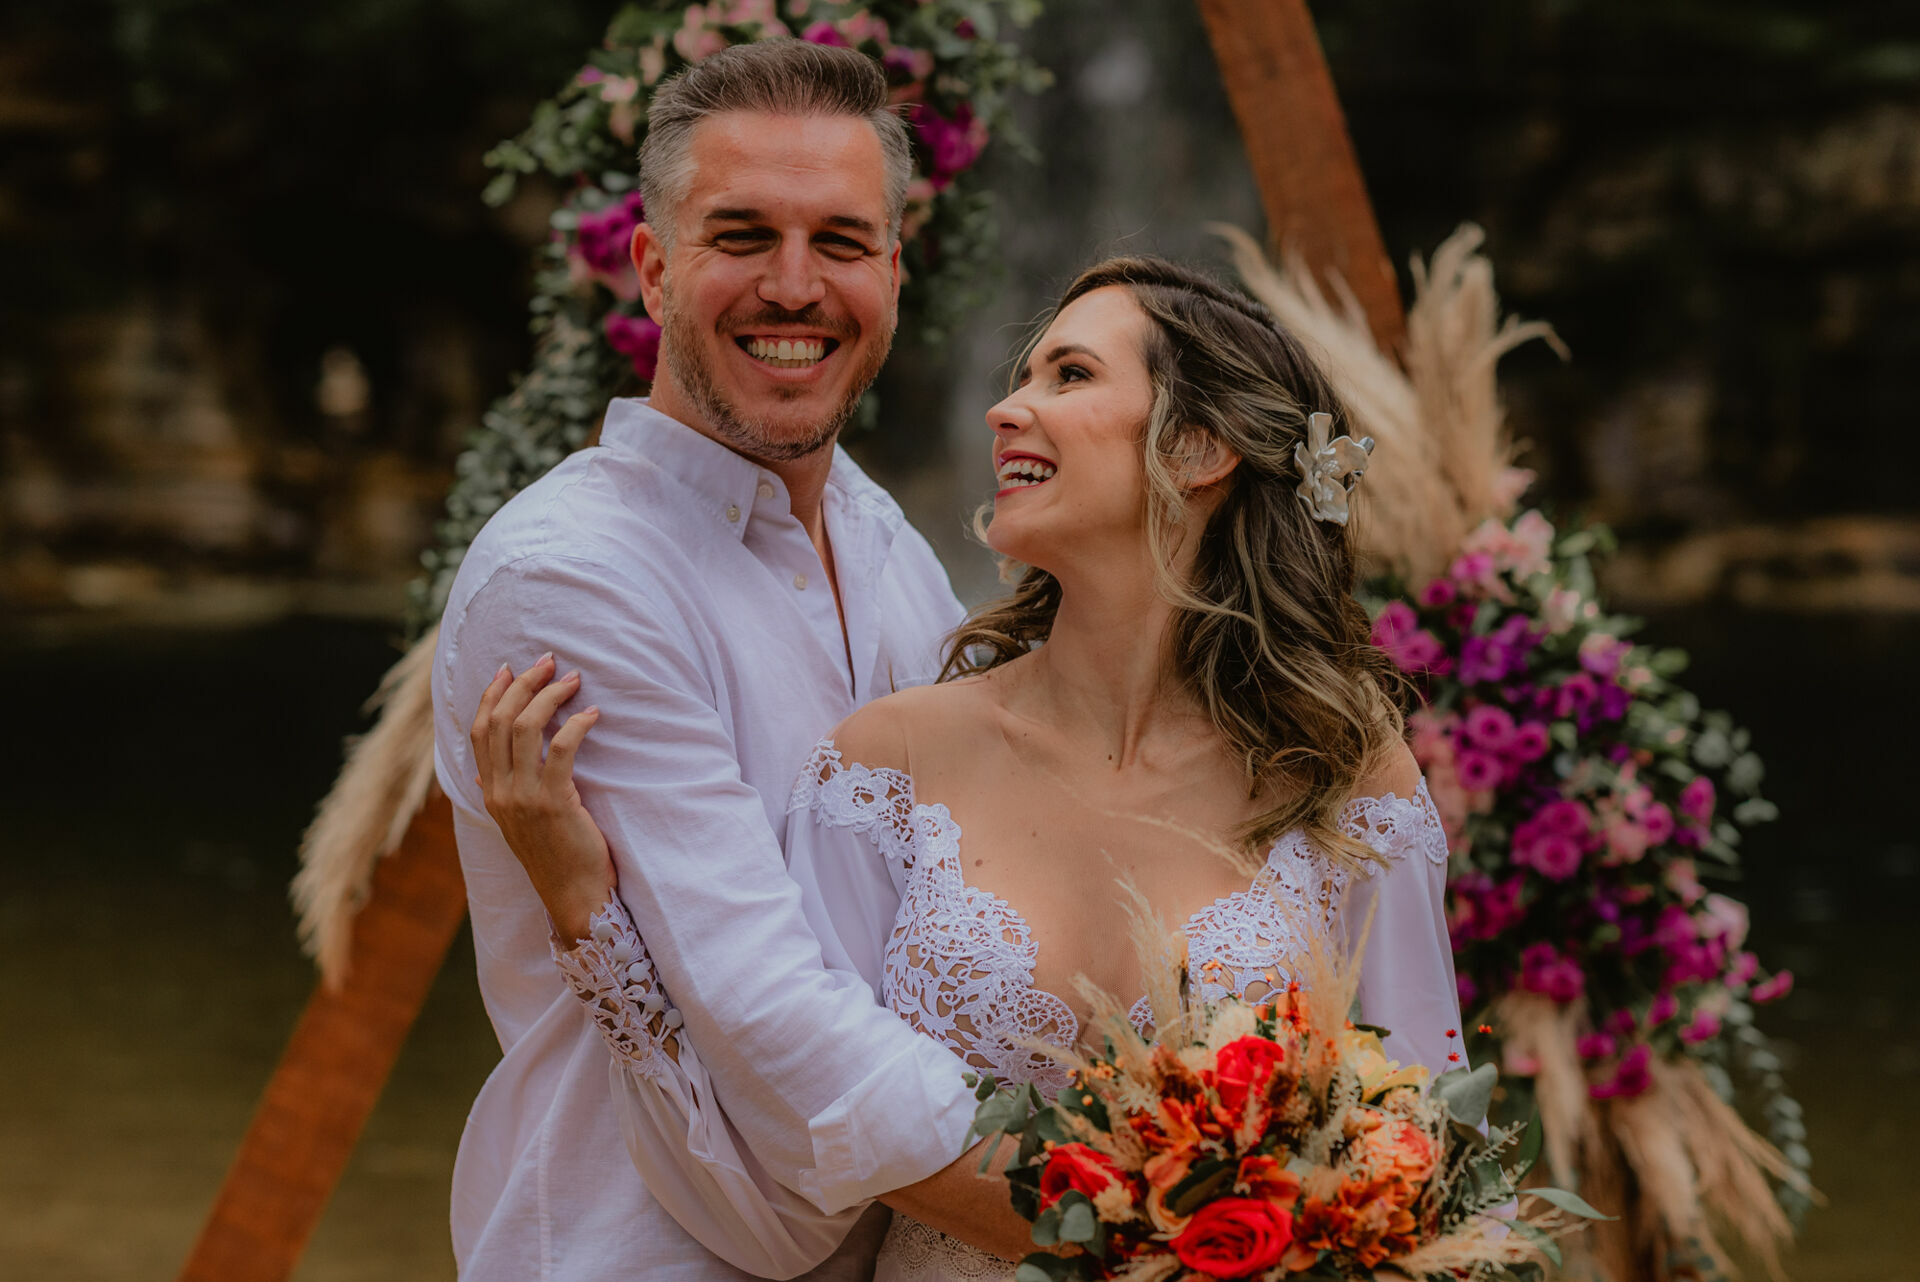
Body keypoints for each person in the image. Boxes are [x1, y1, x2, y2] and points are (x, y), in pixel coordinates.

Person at [474, 256, 1466, 1282]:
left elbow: (1425, 1162)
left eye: (1069, 375)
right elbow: (781, 1174)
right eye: (1022, 375)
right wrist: (589, 915)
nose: (1004, 409)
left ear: (1199, 446)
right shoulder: (890, 763)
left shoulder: (1344, 775)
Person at [432, 38, 1034, 1282]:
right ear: (653, 266)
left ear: (894, 272)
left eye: (842, 242)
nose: (796, 286)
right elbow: (770, 1019)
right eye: (743, 236)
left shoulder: (884, 542)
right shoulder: (571, 577)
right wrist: (1131, 1227)